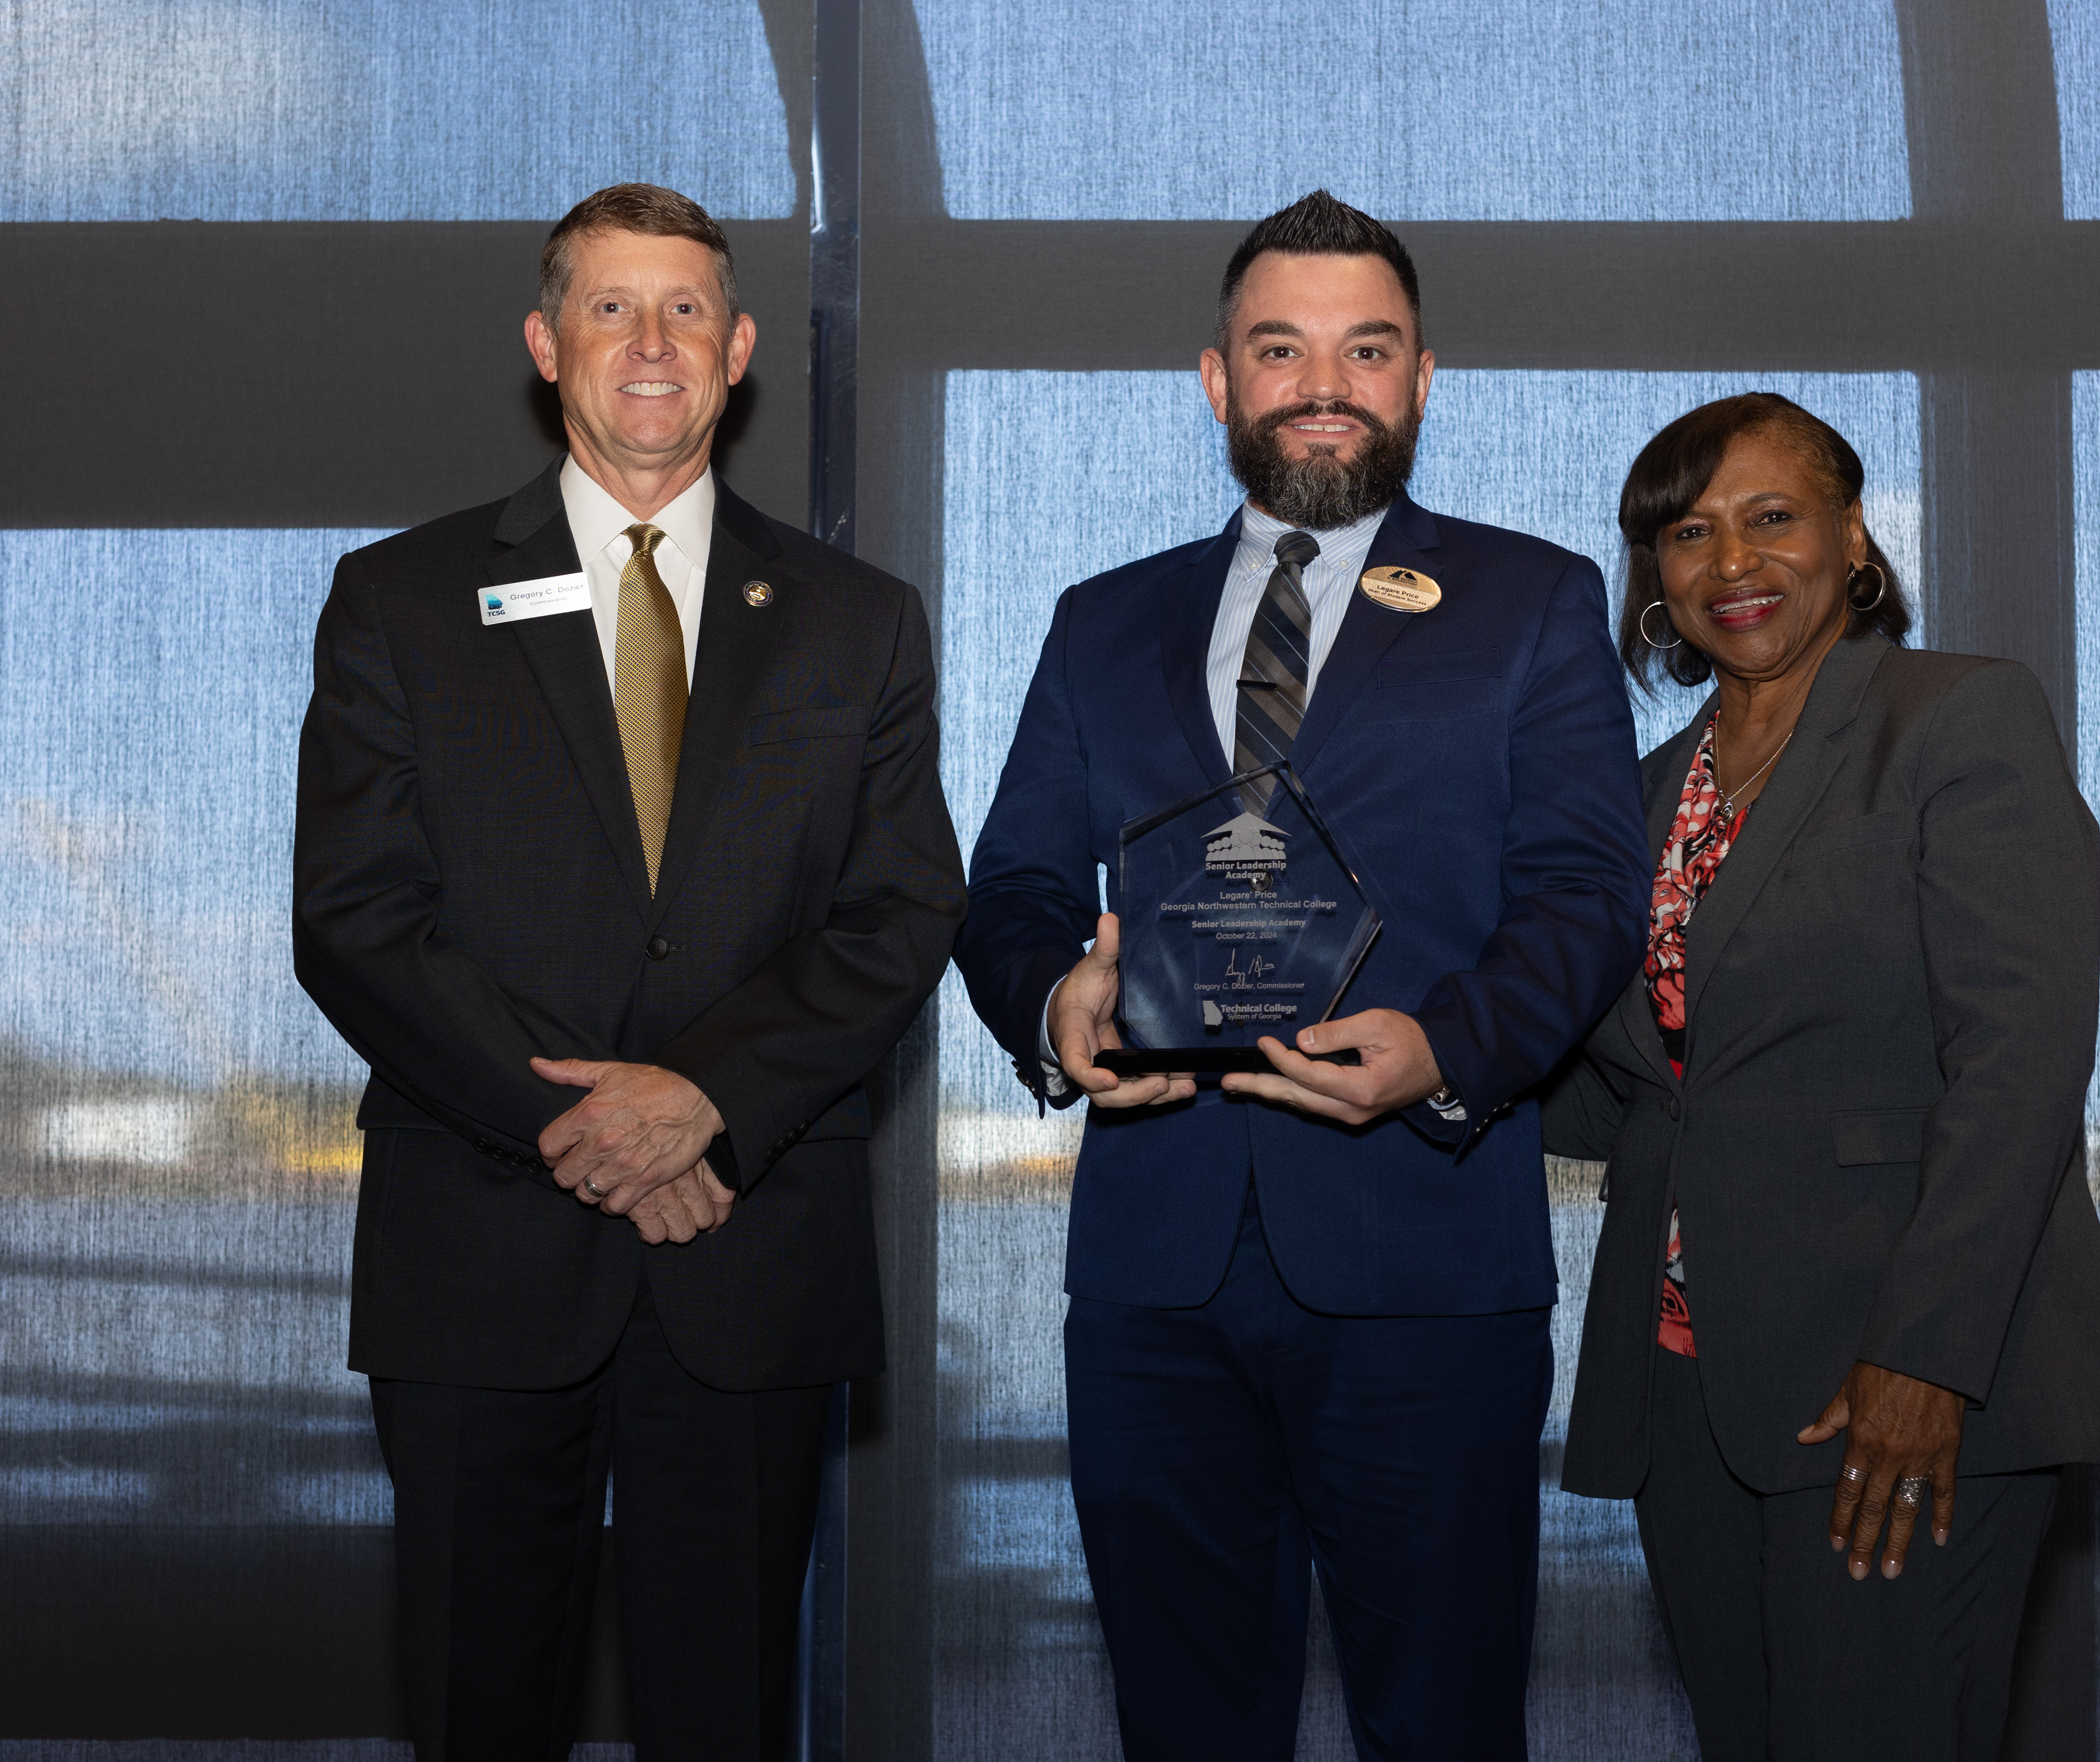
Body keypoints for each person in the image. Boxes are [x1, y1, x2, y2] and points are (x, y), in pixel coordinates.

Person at [954, 191, 1655, 1761]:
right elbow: (1009, 889)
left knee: (1445, 1722)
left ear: (1422, 380)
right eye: (1282, 348)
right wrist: (1056, 1006)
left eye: (1367, 348)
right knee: (1184, 1722)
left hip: (1427, 1254)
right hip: (1155, 1276)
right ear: (1219, 380)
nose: (1322, 381)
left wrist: (1450, 1051)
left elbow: (1590, 894)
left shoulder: (1535, 604)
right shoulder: (1099, 621)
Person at [292, 183, 964, 1759]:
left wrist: (709, 1103)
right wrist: (594, 1129)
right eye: (609, 307)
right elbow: (358, 917)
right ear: (547, 345)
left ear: (735, 354)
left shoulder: (857, 624)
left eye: (682, 313)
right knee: (475, 1707)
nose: (647, 342)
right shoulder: (398, 598)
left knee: (727, 1714)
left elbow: (899, 911)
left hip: (751, 1255)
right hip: (480, 1249)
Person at [1545, 393, 2100, 1760]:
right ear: (1654, 575)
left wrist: (1923, 1361)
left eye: (1772, 519)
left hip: (1893, 1380)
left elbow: (2021, 1064)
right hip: (1687, 1390)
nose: (1732, 566)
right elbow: (1642, 1082)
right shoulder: (1642, 796)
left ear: (1854, 536)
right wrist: (1415, 1038)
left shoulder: (1959, 719)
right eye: (1688, 535)